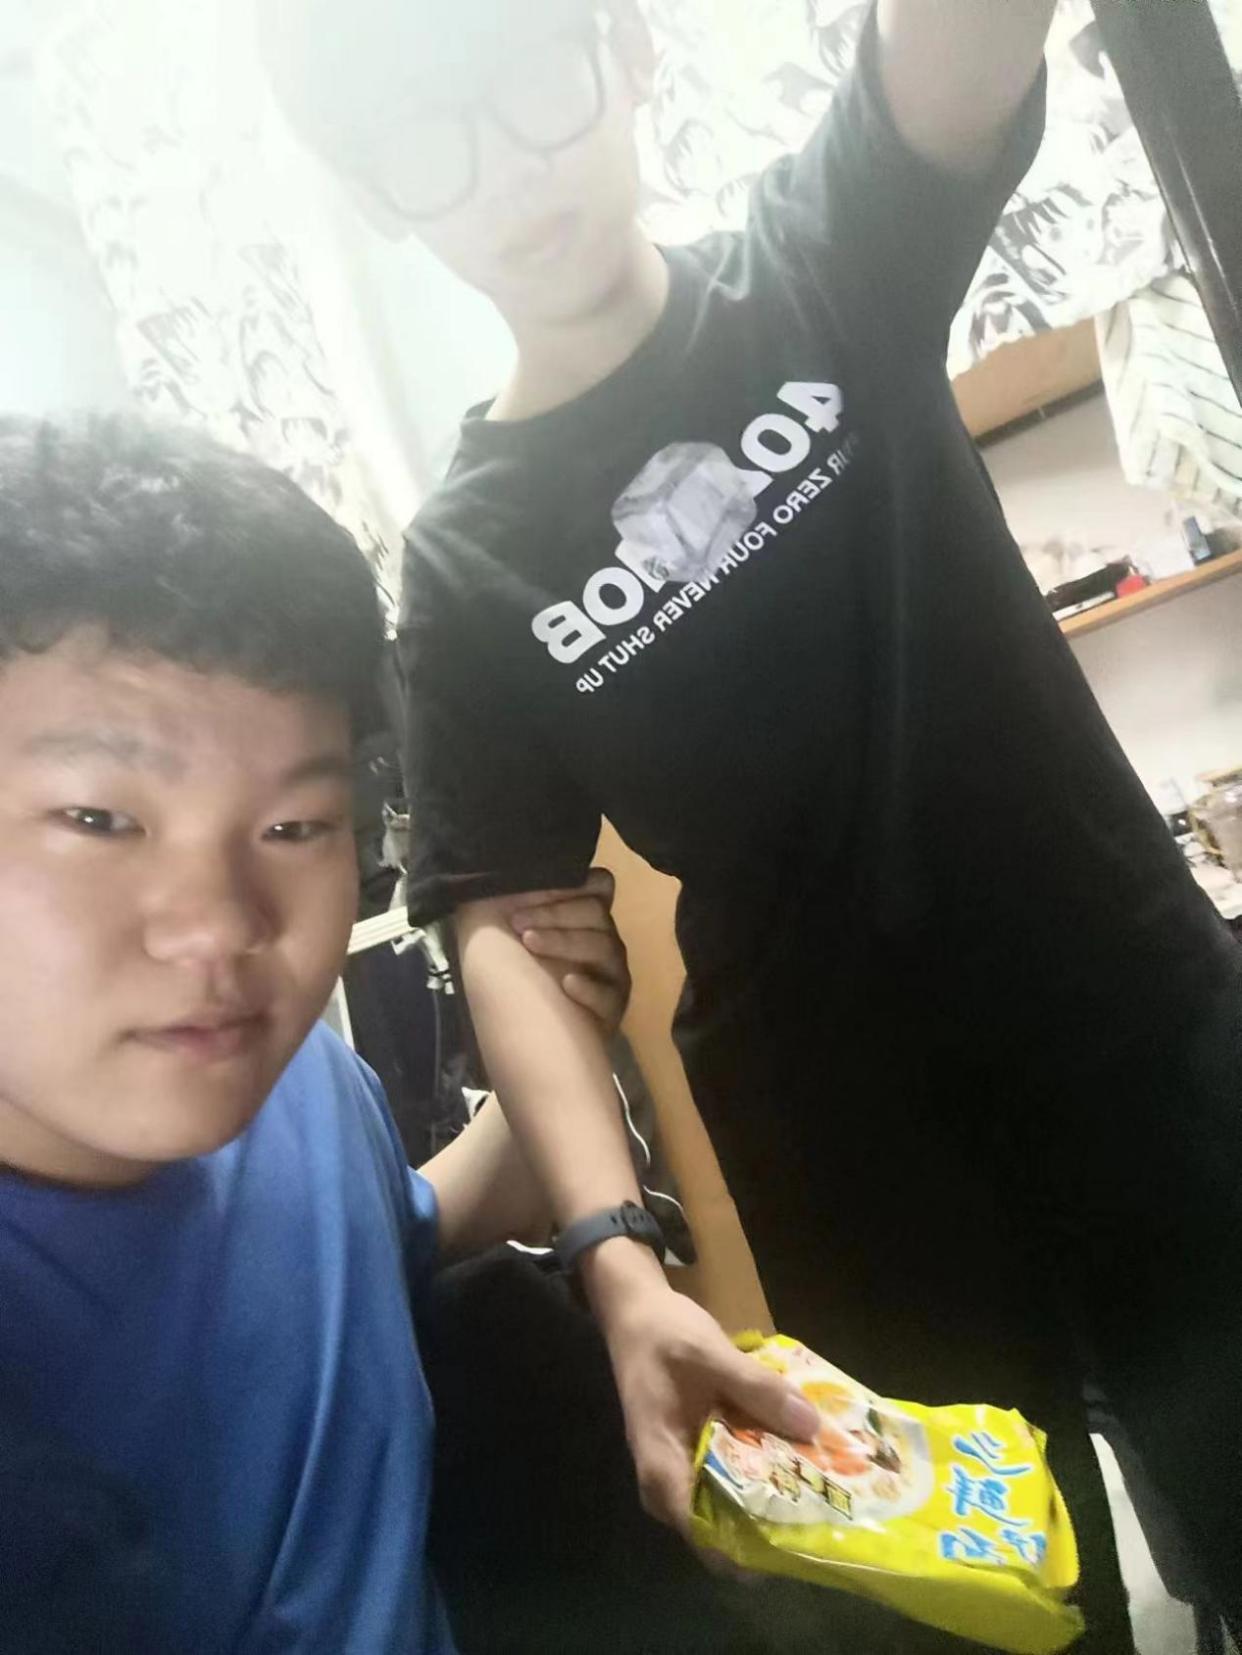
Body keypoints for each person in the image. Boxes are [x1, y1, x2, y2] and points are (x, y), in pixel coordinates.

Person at [263, 1, 1242, 1647]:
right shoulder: (464, 559)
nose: (506, 170)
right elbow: (499, 920)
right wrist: (614, 1256)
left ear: (631, 53)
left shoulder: (820, 260)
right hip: (840, 1143)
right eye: (431, 142)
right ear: (379, 197)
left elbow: (953, 53)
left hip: (1135, 1030)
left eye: (534, 83)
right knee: (992, 1608)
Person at [0, 412, 816, 1655]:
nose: (222, 926)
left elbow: (393, 1232)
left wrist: (563, 1038)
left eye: (293, 826)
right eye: (100, 819)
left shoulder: (299, 1084)